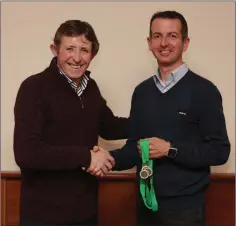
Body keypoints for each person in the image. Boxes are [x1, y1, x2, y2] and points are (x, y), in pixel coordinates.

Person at [90, 10, 231, 226]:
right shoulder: (142, 92)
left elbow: (220, 151)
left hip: (185, 210)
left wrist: (170, 149)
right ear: (149, 42)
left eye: (172, 36)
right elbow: (134, 148)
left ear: (185, 43)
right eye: (157, 36)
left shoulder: (205, 91)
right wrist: (105, 159)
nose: (164, 43)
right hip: (145, 204)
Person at [13, 20, 128, 226]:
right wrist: (85, 157)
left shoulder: (91, 88)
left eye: (84, 50)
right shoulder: (33, 88)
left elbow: (109, 126)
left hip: (85, 212)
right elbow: (26, 152)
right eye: (70, 49)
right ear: (55, 50)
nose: (76, 58)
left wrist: (153, 120)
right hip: (43, 216)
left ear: (92, 55)